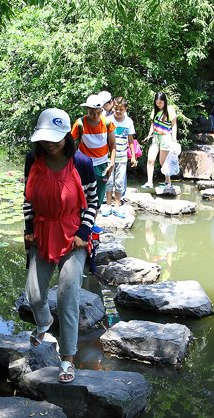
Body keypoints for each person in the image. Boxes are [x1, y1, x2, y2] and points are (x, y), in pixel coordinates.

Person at [23, 108, 99, 384]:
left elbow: (92, 201)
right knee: (33, 293)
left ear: (67, 134)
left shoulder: (81, 162)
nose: (50, 143)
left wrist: (84, 231)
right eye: (45, 138)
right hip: (43, 233)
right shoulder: (33, 159)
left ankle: (67, 359)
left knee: (68, 294)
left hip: (73, 236)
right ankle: (44, 322)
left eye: (56, 137)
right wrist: (29, 229)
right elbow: (28, 199)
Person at [71, 94, 116, 208]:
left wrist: (111, 163)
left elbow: (112, 144)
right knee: (82, 193)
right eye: (91, 113)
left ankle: (93, 221)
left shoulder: (107, 123)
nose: (95, 116)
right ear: (87, 110)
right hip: (84, 164)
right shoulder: (80, 123)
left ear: (102, 110)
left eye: (98, 112)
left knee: (99, 196)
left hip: (102, 164)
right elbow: (69, 142)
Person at [103, 97, 136, 218]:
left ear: (125, 109)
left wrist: (133, 156)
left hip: (122, 157)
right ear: (113, 108)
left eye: (121, 109)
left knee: (120, 181)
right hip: (108, 157)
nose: (118, 111)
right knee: (108, 180)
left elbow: (131, 140)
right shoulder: (108, 120)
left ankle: (117, 206)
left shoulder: (129, 121)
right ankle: (108, 205)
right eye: (116, 109)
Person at [142, 92, 177, 189]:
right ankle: (149, 182)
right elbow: (153, 125)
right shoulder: (155, 110)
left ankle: (168, 182)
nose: (159, 104)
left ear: (165, 101)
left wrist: (174, 138)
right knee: (150, 159)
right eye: (157, 102)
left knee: (163, 162)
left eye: (160, 102)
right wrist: (149, 135)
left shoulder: (170, 110)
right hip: (156, 137)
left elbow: (174, 125)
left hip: (166, 137)